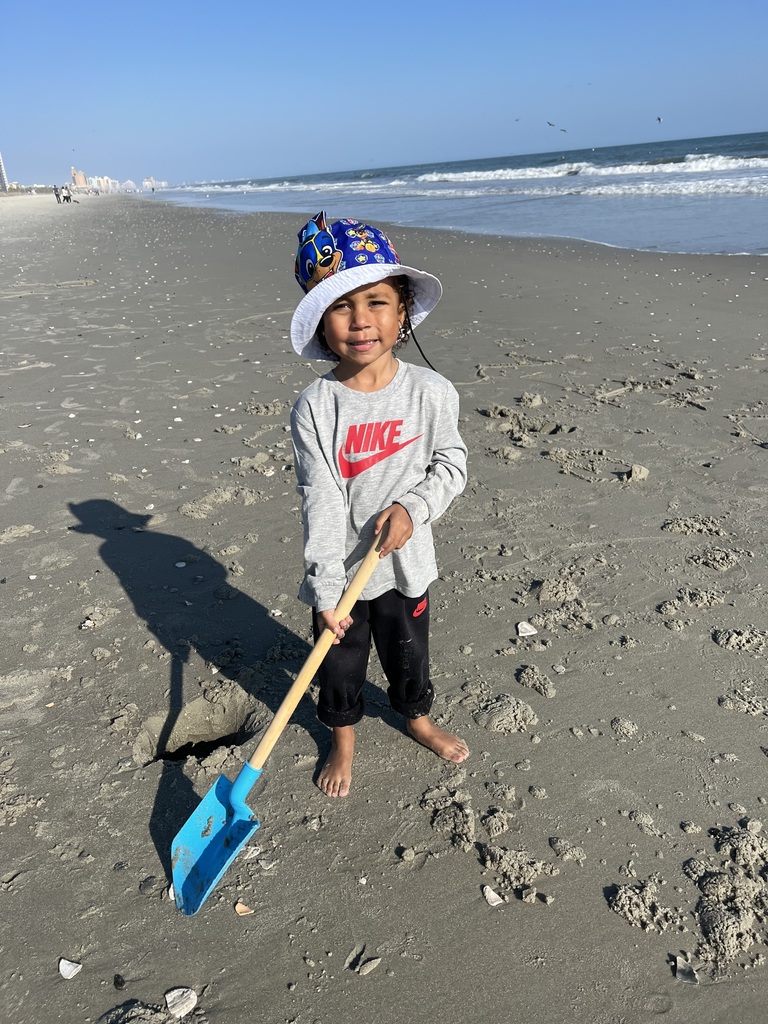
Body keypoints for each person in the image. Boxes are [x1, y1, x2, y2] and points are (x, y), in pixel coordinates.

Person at [289, 211, 469, 797]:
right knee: (339, 665)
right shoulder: (317, 406)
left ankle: (416, 717)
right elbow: (320, 499)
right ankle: (342, 739)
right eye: (341, 306)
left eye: (376, 302)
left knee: (408, 651)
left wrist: (414, 508)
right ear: (320, 323)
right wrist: (323, 590)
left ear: (403, 310)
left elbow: (451, 465)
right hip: (343, 574)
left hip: (405, 566)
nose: (361, 321)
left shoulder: (432, 392)